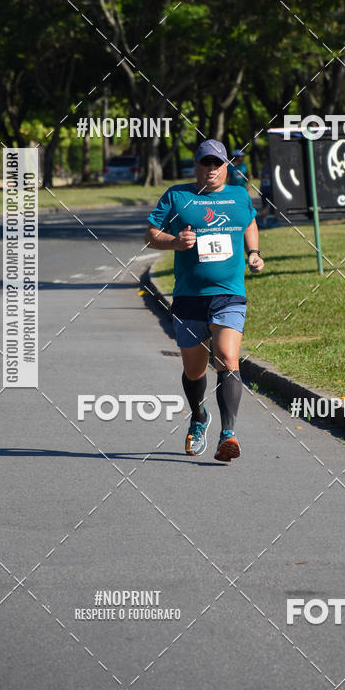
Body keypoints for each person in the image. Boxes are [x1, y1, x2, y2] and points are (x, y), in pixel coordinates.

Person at [145, 139, 264, 462]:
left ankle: (229, 434)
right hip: (189, 297)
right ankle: (199, 417)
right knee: (194, 370)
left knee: (227, 357)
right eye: (205, 163)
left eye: (218, 164)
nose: (212, 169)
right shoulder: (177, 196)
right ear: (196, 165)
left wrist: (253, 252)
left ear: (227, 166)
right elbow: (151, 234)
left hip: (228, 295)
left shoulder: (239, 195)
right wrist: (174, 242)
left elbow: (250, 222)